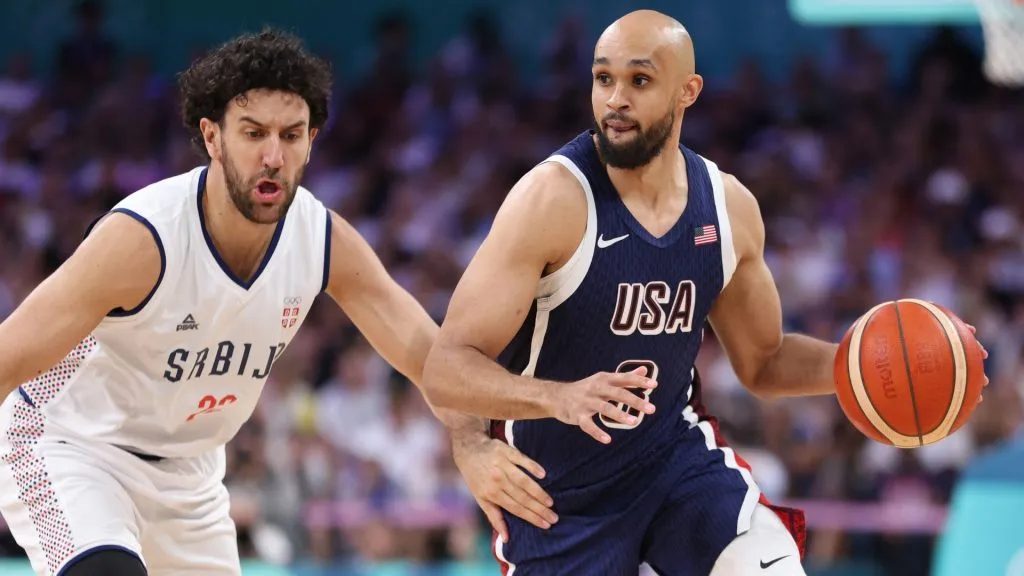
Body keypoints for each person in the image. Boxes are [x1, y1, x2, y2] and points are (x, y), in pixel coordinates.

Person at [0, 29, 548, 576]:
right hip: (69, 448)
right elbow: (8, 357)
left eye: (290, 135)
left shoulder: (320, 239)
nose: (272, 155)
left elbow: (432, 363)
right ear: (212, 138)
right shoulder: (143, 240)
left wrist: (470, 440)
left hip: (189, 474)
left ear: (311, 141)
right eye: (253, 133)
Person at [423, 10, 839, 575]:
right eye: (603, 78)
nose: (615, 99)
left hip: (675, 469)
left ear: (687, 91)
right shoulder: (552, 200)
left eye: (639, 81)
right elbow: (447, 368)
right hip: (558, 497)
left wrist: (859, 367)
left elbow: (764, 362)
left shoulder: (728, 208)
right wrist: (556, 399)